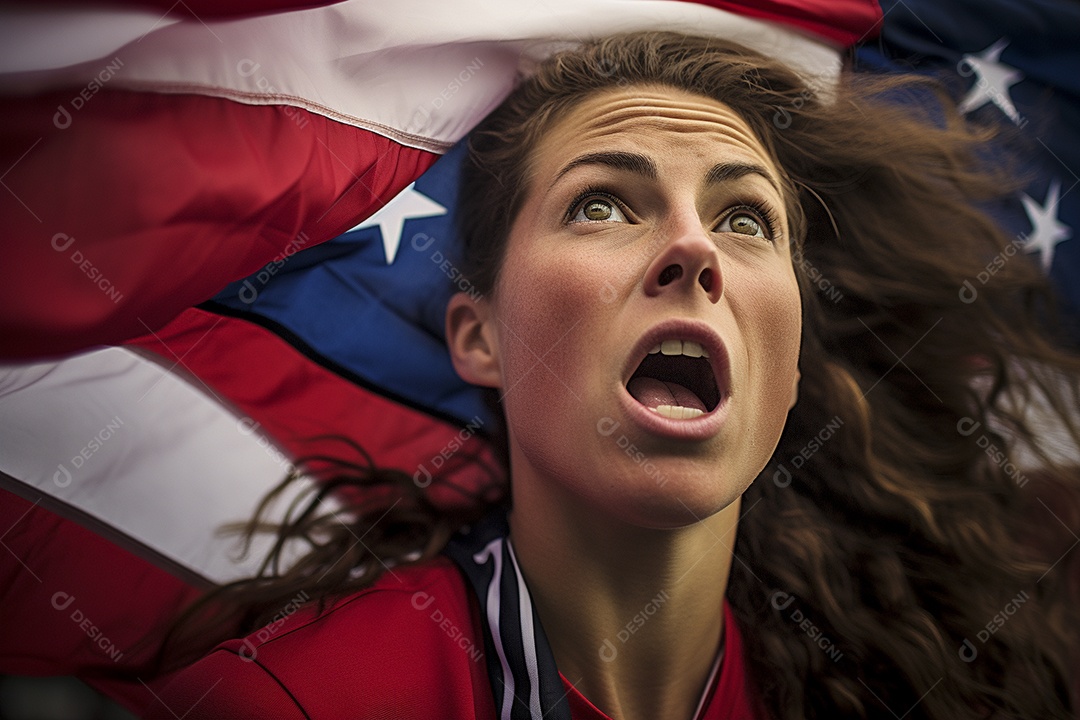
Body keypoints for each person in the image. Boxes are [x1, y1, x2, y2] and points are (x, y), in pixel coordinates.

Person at [141, 31, 1080, 720]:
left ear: (789, 365)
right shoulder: (290, 703)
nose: (691, 247)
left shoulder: (906, 692)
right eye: (601, 203)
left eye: (746, 218)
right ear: (483, 338)